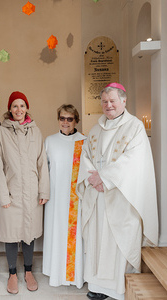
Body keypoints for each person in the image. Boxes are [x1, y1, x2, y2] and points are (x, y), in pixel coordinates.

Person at [76, 83, 158, 300]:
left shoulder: (135, 127)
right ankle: (96, 286)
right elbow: (85, 156)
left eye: (112, 101)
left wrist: (106, 179)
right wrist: (94, 178)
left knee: (118, 239)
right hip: (97, 195)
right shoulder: (95, 129)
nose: (108, 105)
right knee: (97, 240)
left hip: (121, 196)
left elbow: (134, 161)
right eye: (104, 101)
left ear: (124, 101)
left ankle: (119, 288)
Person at [0, 91, 50, 294]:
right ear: (9, 109)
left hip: (32, 193)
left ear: (27, 108)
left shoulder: (36, 132)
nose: (19, 110)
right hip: (11, 193)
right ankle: (12, 273)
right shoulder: (1, 133)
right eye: (15, 106)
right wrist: (3, 196)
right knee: (10, 234)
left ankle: (28, 271)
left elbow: (42, 164)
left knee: (29, 234)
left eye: (22, 106)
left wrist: (44, 190)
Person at [43, 104, 86, 288]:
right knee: (56, 232)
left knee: (74, 237)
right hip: (54, 198)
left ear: (76, 120)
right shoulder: (50, 141)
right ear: (58, 119)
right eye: (62, 118)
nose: (65, 122)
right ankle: (56, 273)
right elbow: (44, 170)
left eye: (70, 119)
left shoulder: (83, 141)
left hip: (76, 198)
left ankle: (75, 275)